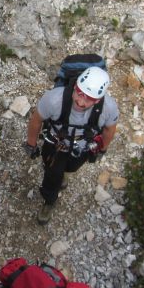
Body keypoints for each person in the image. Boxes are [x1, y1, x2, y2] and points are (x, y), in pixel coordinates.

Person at [23, 66, 119, 224]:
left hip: (83, 146)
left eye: (89, 98)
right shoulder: (54, 99)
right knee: (52, 174)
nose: (81, 101)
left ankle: (64, 175)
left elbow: (109, 129)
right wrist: (31, 144)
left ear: (98, 100)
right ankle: (49, 200)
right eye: (79, 93)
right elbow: (36, 120)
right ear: (75, 86)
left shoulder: (108, 108)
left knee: (72, 167)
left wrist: (102, 149)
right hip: (56, 144)